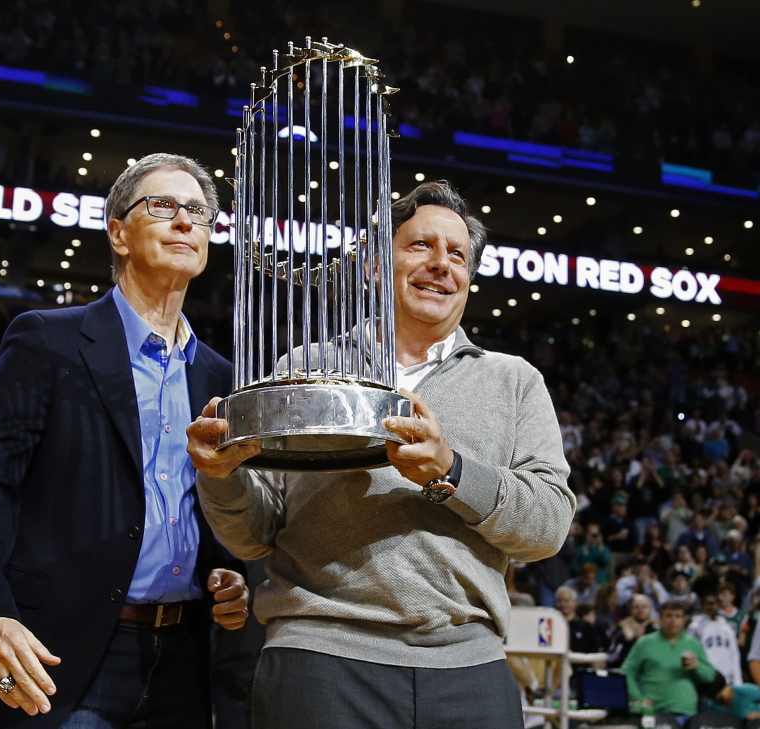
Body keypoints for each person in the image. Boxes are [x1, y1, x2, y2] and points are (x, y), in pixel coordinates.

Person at [188, 181, 575, 729]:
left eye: (457, 254)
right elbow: (254, 533)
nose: (441, 264)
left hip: (470, 667)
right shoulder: (308, 366)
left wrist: (452, 472)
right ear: (373, 266)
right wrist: (221, 476)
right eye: (420, 247)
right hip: (320, 658)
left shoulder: (513, 381)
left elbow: (548, 526)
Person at [0, 153, 249, 729]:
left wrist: (223, 569)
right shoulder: (48, 341)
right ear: (117, 232)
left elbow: (207, 503)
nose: (186, 221)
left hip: (182, 658)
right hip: (61, 648)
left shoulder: (219, 376)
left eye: (199, 212)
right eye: (163, 206)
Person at [621, 599, 716, 721]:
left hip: (685, 712)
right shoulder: (644, 643)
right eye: (668, 616)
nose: (673, 621)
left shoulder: (693, 644)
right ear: (660, 618)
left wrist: (697, 666)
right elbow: (627, 672)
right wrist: (638, 698)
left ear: (684, 621)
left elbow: (710, 676)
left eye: (678, 616)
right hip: (652, 712)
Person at [688, 592, 742, 686]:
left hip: (727, 678)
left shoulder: (726, 627)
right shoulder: (695, 627)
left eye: (715, 603)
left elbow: (734, 655)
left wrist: (737, 681)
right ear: (702, 605)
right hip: (707, 678)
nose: (712, 606)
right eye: (709, 603)